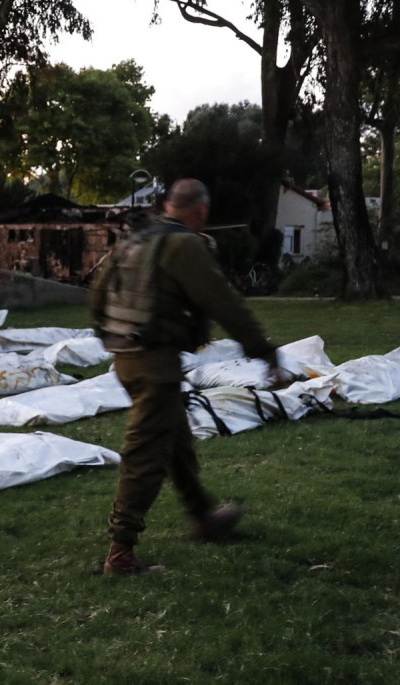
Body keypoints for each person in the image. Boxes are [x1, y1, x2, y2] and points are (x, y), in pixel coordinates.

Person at [90, 178, 279, 576]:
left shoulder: (136, 240)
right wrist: (262, 349)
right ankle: (120, 553)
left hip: (127, 356)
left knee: (175, 439)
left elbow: (99, 292)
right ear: (202, 211)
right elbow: (224, 302)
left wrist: (111, 338)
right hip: (153, 361)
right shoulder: (184, 245)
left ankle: (203, 517)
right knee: (146, 454)